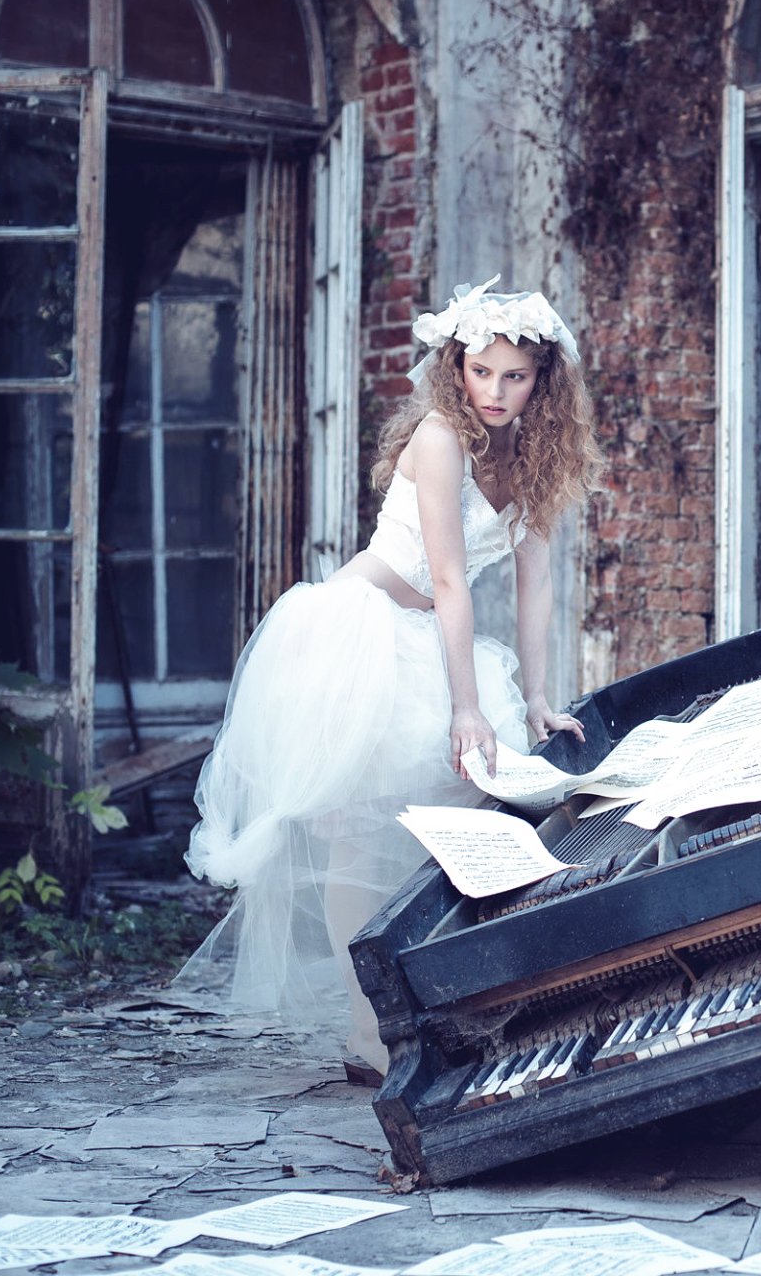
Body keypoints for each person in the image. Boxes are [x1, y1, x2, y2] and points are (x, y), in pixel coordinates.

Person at [175, 276, 604, 1074]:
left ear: (544, 379)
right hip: (362, 632)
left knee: (471, 819)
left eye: (515, 376)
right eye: (482, 372)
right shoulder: (440, 438)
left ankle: (448, 999)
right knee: (357, 836)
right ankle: (367, 1033)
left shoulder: (536, 456)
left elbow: (536, 578)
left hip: (434, 641)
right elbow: (447, 579)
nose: (496, 392)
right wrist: (465, 709)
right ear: (456, 366)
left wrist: (539, 696)